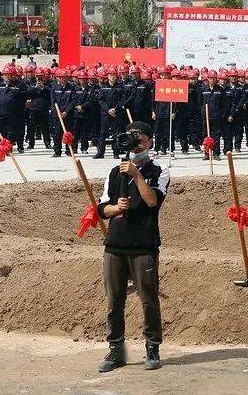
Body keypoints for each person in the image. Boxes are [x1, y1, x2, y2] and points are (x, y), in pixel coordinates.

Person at [96, 121, 169, 373]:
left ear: (149, 141)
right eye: (131, 137)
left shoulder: (159, 170)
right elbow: (102, 208)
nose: (135, 142)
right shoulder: (115, 172)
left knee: (148, 299)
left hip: (143, 244)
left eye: (139, 137)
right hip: (115, 245)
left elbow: (152, 201)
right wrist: (115, 209)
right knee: (114, 300)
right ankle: (116, 350)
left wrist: (137, 175)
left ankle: (152, 347)